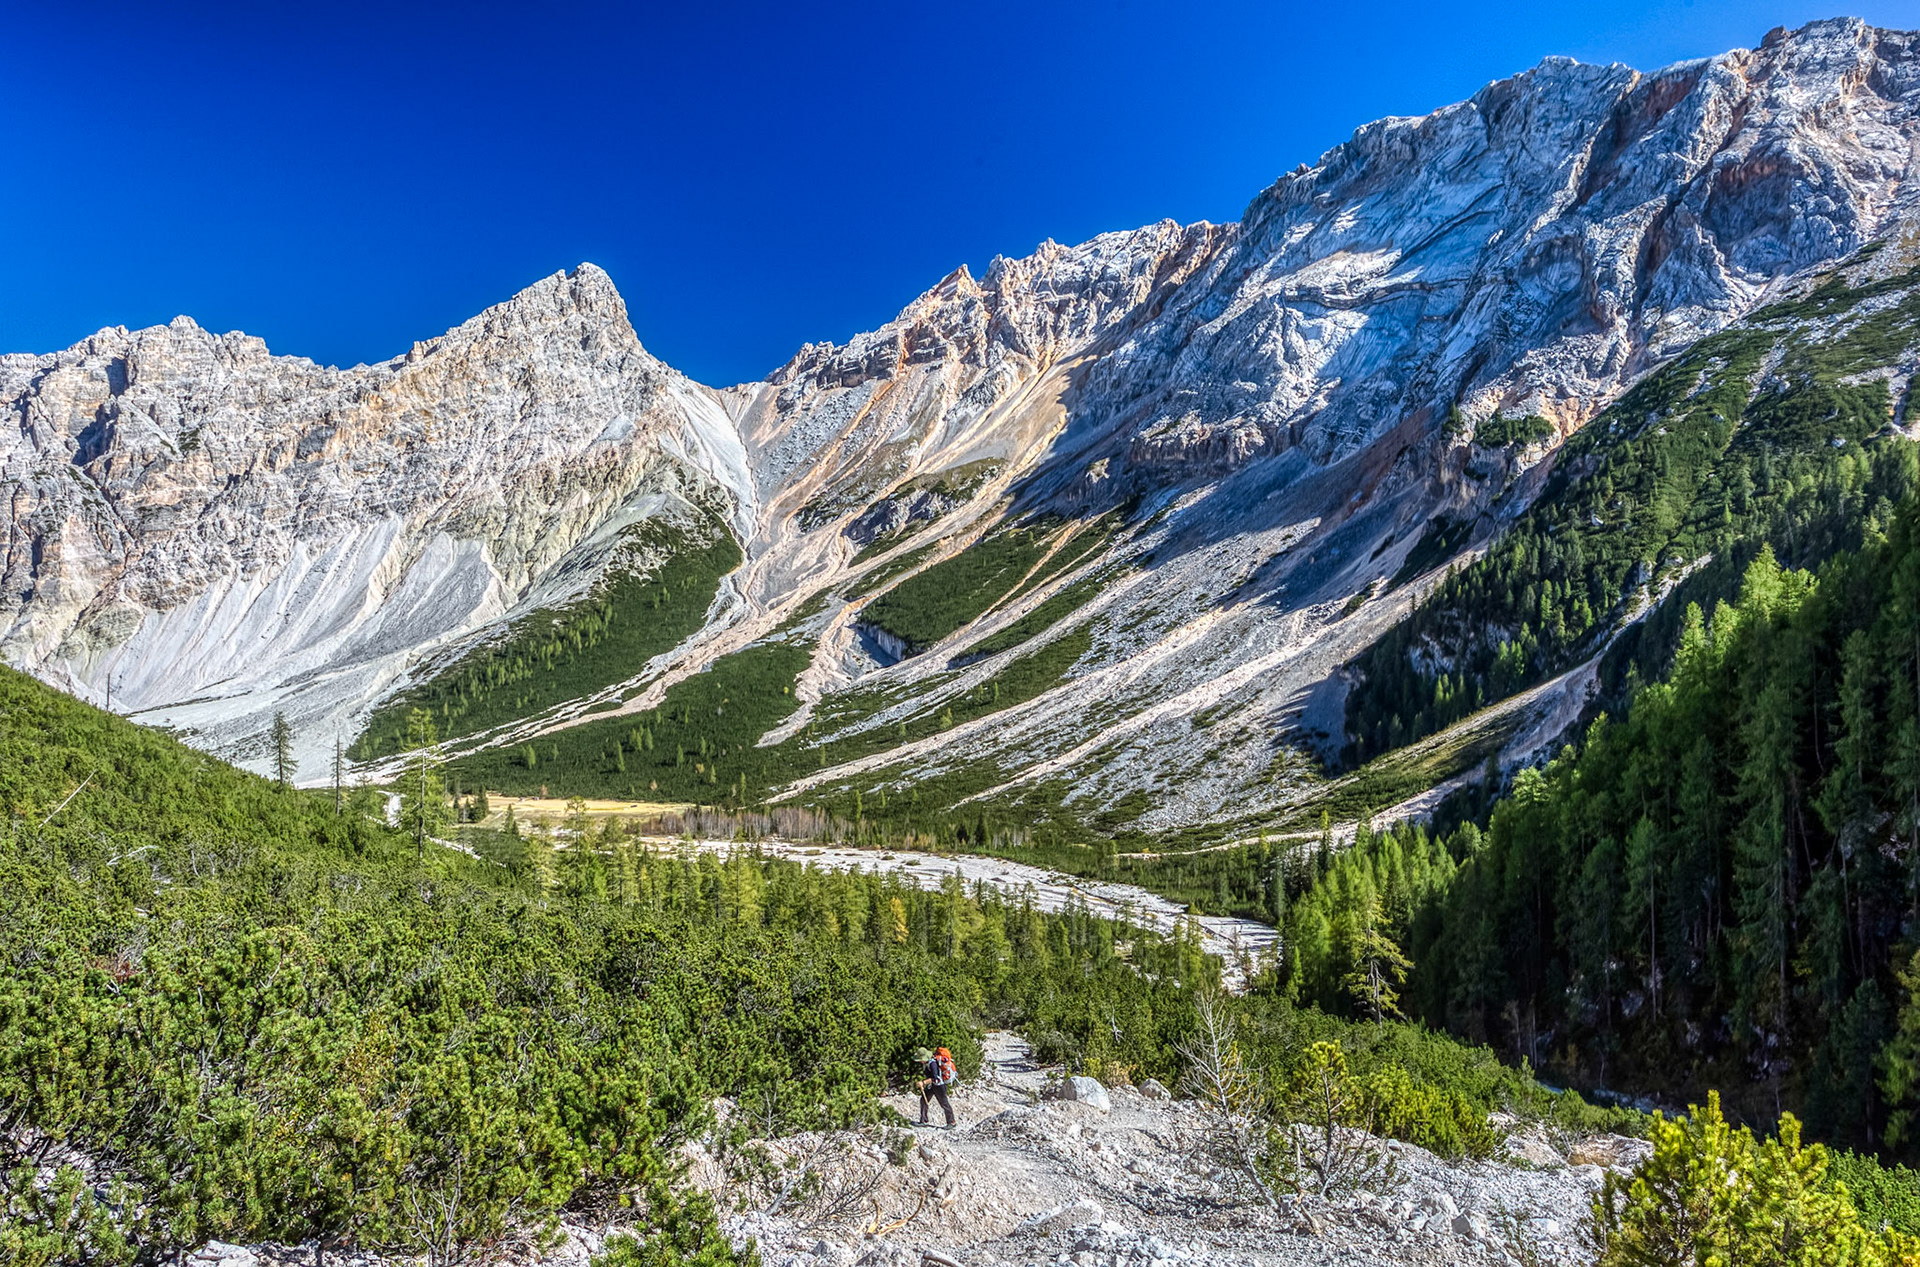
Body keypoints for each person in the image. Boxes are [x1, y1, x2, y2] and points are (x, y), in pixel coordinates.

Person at [915, 1045, 957, 1127]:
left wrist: (923, 1083)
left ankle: (951, 1122)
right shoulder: (928, 1063)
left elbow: (935, 1078)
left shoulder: (932, 1064)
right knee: (923, 1100)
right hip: (932, 1086)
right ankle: (924, 1120)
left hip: (939, 1086)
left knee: (944, 1103)